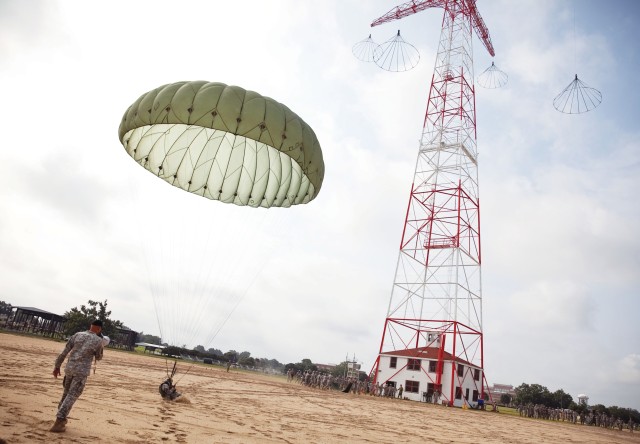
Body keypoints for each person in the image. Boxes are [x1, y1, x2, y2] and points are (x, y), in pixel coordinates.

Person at [50, 319, 105, 433]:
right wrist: (102, 345)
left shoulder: (77, 335)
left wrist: (57, 366)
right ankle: (59, 421)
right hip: (81, 372)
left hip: (69, 369)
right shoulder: (98, 340)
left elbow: (64, 352)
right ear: (99, 329)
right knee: (71, 396)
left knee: (65, 395)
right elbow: (98, 357)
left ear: (91, 326)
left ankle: (62, 419)